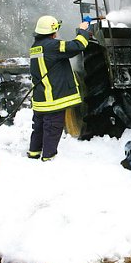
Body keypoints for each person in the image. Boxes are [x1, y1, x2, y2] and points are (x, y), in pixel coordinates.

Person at [28, 15, 90, 161]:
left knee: (39, 127)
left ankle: (34, 153)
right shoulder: (52, 46)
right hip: (53, 99)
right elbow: (78, 46)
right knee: (53, 128)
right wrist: (83, 30)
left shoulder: (35, 47)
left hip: (41, 98)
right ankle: (49, 158)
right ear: (53, 31)